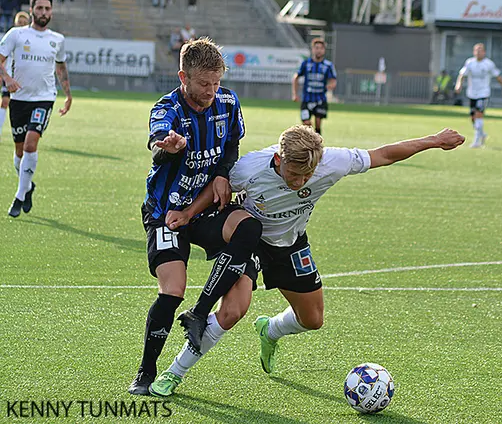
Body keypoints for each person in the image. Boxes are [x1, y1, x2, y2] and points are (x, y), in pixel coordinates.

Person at [146, 124, 465, 397]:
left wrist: (433, 140)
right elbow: (219, 189)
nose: (300, 182)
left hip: (291, 243)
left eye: (307, 176)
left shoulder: (333, 162)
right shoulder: (250, 168)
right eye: (293, 174)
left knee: (313, 319)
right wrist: (188, 213)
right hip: (250, 239)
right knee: (233, 310)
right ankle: (175, 372)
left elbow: (383, 154)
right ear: (277, 159)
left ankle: (270, 330)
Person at [127, 37, 263, 396]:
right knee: (172, 290)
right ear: (183, 77)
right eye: (204, 84)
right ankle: (146, 371)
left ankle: (200, 313)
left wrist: (221, 172)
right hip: (166, 213)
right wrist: (168, 147)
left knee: (249, 227)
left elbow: (232, 144)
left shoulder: (228, 102)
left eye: (217, 82)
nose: (211, 91)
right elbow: (158, 139)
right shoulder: (167, 108)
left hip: (204, 208)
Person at [0, 0, 72, 218]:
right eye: (39, 8)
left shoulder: (57, 40)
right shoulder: (16, 34)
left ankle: (20, 195)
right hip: (19, 99)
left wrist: (68, 95)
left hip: (44, 99)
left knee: (32, 143)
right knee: (19, 153)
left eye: (47, 8)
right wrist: (7, 79)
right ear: (31, 10)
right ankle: (28, 186)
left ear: (51, 12)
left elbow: (61, 68)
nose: (43, 12)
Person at [454, 43, 502, 148]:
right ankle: (482, 134)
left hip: (483, 93)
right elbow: (462, 75)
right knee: (473, 117)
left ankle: (476, 141)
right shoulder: (470, 62)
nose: (478, 52)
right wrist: (458, 85)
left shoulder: (488, 64)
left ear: (484, 52)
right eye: (476, 50)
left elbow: (497, 76)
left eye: (480, 50)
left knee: (479, 114)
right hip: (471, 93)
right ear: (474, 52)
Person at [292, 38, 336, 135]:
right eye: (316, 48)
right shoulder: (306, 63)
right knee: (306, 123)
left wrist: (331, 85)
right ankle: (311, 139)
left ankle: (318, 143)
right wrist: (295, 94)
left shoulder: (328, 65)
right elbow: (296, 77)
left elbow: (333, 80)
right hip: (307, 99)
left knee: (318, 122)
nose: (318, 50)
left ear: (324, 50)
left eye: (321, 48)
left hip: (320, 99)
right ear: (313, 49)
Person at [0, 11, 29, 144]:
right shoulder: (11, 36)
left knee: (23, 106)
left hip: (24, 78)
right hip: (9, 76)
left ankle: (26, 133)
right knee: (5, 101)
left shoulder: (30, 40)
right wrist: (3, 75)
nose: (21, 25)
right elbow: (3, 58)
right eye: (19, 22)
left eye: (24, 23)